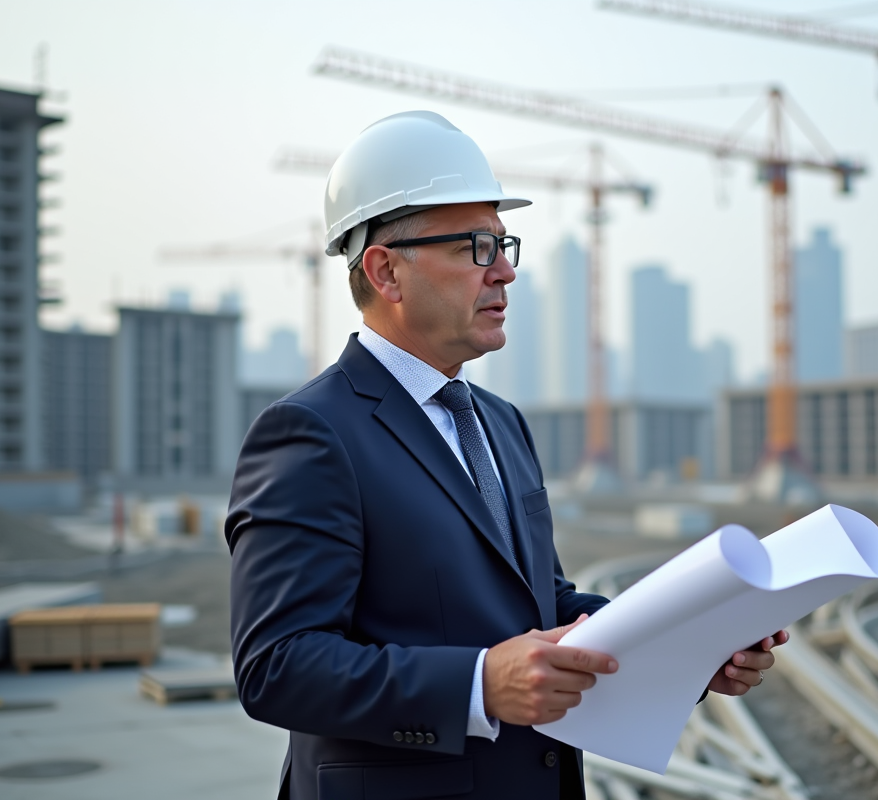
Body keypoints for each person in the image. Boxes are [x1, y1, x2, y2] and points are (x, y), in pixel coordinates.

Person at [226, 110, 788, 800]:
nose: (506, 272)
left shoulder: (498, 422)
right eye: (477, 247)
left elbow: (544, 604)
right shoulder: (312, 433)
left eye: (504, 243)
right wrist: (478, 685)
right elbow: (276, 666)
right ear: (386, 270)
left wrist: (687, 645)